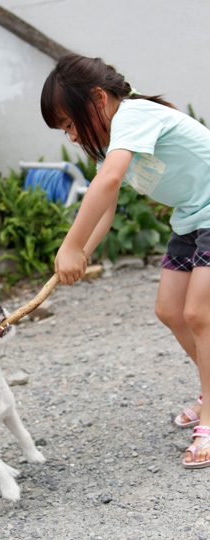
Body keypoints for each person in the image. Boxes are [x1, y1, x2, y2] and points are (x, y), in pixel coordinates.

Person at [41, 54, 210, 469]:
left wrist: (70, 244)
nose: (72, 136)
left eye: (69, 123)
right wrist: (81, 251)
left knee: (199, 312)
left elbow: (110, 181)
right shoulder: (112, 142)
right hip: (192, 218)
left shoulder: (133, 115)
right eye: (64, 129)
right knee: (170, 311)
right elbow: (106, 204)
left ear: (98, 99)